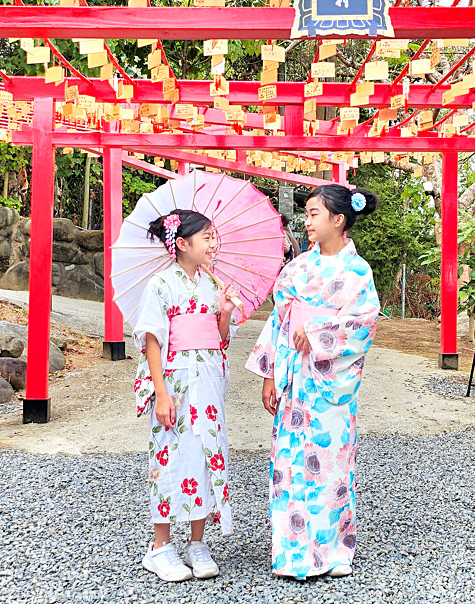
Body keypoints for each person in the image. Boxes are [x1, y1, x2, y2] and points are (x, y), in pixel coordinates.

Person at [246, 184, 381, 579]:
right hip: (293, 377)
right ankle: (290, 554)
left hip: (330, 384)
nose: (306, 221)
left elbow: (363, 323)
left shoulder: (358, 271)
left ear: (338, 221)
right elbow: (279, 321)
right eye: (306, 214)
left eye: (313, 214)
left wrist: (319, 329)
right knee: (289, 464)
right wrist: (269, 376)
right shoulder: (296, 268)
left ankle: (335, 551)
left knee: (332, 465)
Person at [132, 208, 239, 583]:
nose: (214, 243)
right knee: (169, 456)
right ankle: (160, 547)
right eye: (207, 237)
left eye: (214, 237)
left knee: (206, 455)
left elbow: (221, 339)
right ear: (181, 243)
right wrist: (161, 393)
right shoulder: (162, 284)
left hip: (208, 382)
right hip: (176, 382)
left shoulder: (213, 285)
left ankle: (197, 542)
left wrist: (224, 312)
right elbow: (152, 341)